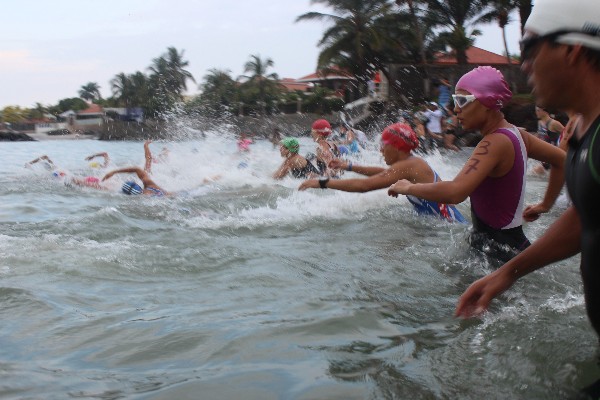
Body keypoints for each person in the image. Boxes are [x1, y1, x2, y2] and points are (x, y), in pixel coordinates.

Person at [455, 1, 600, 394]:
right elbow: (588, 216)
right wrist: (506, 274)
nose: (524, 65)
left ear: (572, 48)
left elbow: (456, 191)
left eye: (532, 50)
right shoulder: (584, 129)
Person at [388, 66, 566, 262]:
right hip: (510, 247)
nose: (456, 109)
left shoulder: (493, 143)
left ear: (488, 102)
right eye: (456, 101)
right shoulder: (518, 134)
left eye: (463, 101)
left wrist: (409, 187)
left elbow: (455, 192)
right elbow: (561, 160)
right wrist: (546, 205)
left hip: (496, 253)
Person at [299, 123, 466, 222]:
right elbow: (384, 173)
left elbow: (364, 186)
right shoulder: (410, 162)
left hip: (449, 225)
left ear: (396, 146)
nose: (380, 150)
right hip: (441, 226)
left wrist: (320, 183)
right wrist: (348, 166)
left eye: (383, 146)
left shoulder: (411, 164)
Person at [102, 167, 170, 196]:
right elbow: (137, 169)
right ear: (137, 185)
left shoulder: (142, 197)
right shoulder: (150, 185)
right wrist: (114, 172)